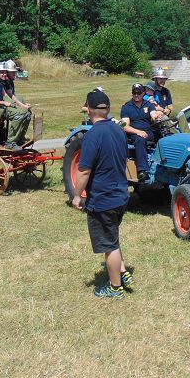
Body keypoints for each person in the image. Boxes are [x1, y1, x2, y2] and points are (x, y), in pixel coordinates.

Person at [71, 89, 133, 299]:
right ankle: (123, 272)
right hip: (121, 194)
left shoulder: (92, 135)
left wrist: (77, 195)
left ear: (88, 110)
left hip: (104, 198)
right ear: (107, 109)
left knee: (108, 243)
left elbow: (84, 170)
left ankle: (115, 288)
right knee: (112, 236)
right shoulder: (118, 131)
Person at [120, 83, 155, 183]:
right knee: (140, 139)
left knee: (165, 136)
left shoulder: (148, 104)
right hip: (134, 134)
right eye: (134, 93)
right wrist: (138, 132)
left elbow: (153, 113)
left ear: (143, 93)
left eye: (138, 93)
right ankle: (142, 170)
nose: (136, 95)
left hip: (149, 132)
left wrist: (156, 116)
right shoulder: (126, 107)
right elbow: (124, 126)